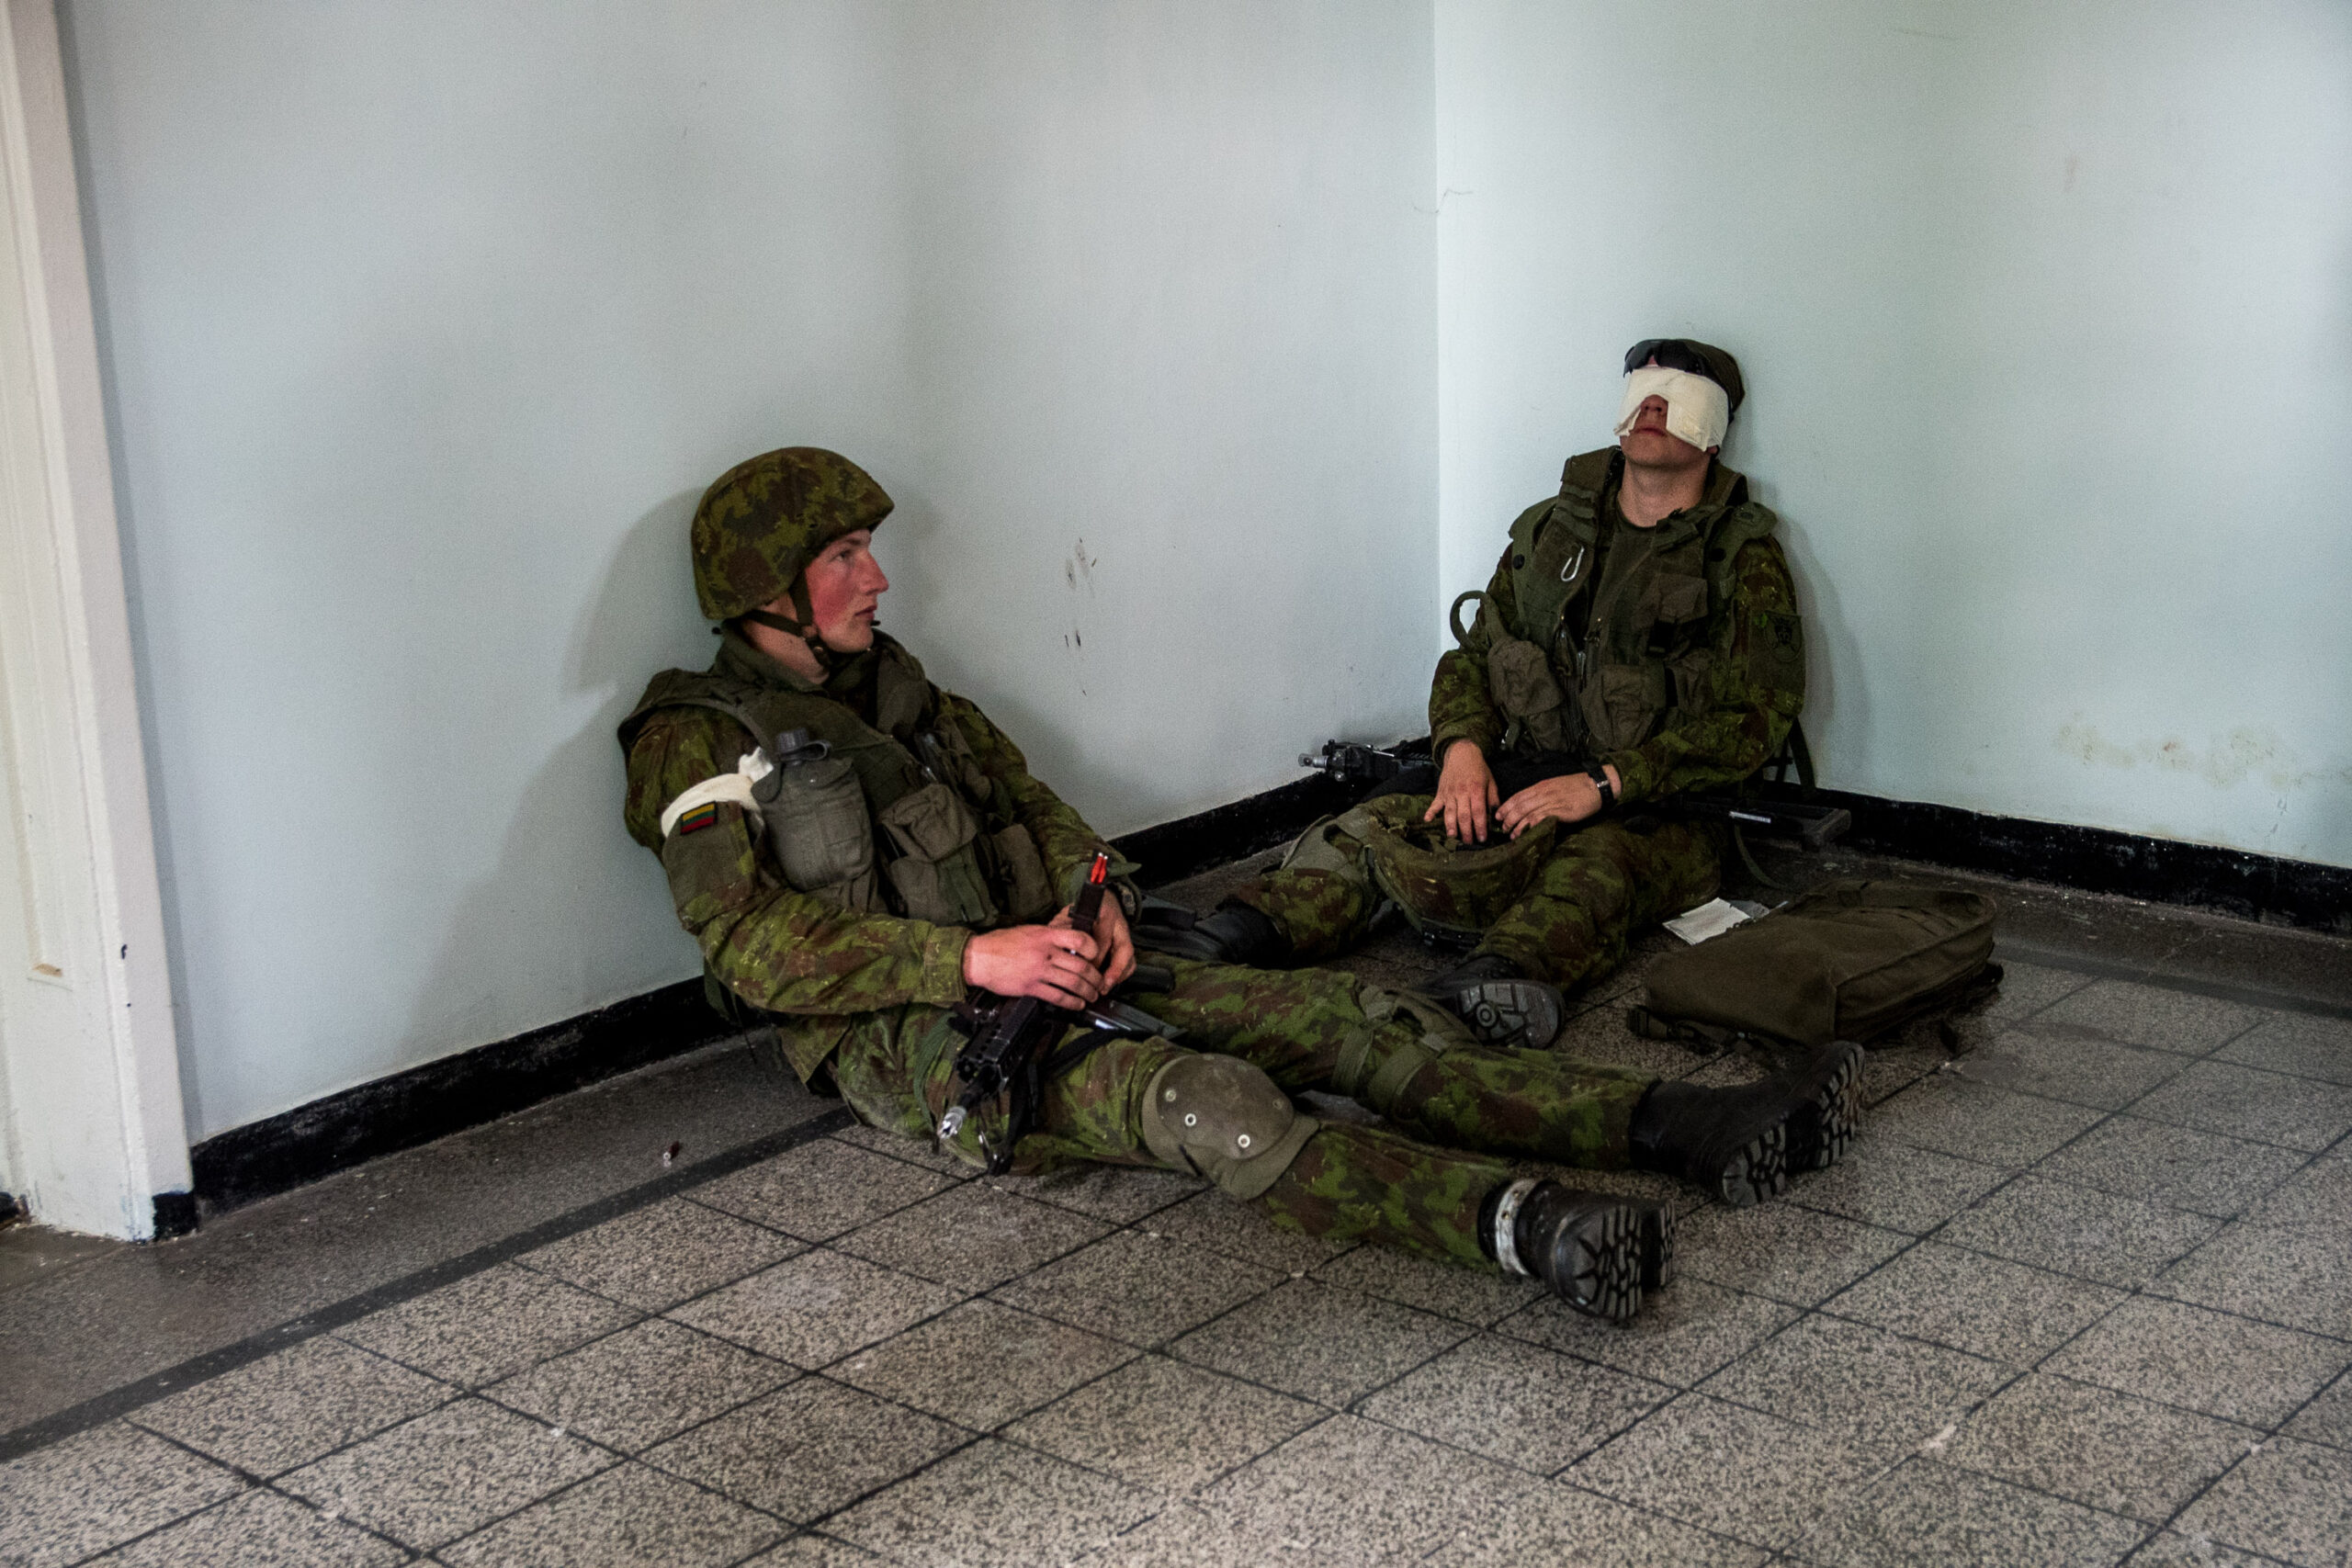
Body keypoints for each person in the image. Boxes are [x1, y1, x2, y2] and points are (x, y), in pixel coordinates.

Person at [620, 448, 1856, 1327]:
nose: (878, 578)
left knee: (1351, 1019)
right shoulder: (698, 741)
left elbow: (1039, 809)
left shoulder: (901, 690)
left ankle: (1677, 1125)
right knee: (1212, 1103)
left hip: (1051, 958)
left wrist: (1098, 899)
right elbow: (747, 947)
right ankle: (1528, 1226)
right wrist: (971, 961)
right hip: (921, 1033)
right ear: (767, 588)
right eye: (845, 557)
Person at [1140, 339, 1846, 1195]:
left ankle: (1480, 993)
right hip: (1522, 767)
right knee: (1377, 826)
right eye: (1644, 387)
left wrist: (1606, 784)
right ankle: (1228, 940)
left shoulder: (1740, 555)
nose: (1655, 404)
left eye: (1680, 392)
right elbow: (1475, 658)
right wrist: (1463, 749)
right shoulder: (1553, 531)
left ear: (1715, 429)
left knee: (1599, 868)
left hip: (1657, 805)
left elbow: (1756, 718)